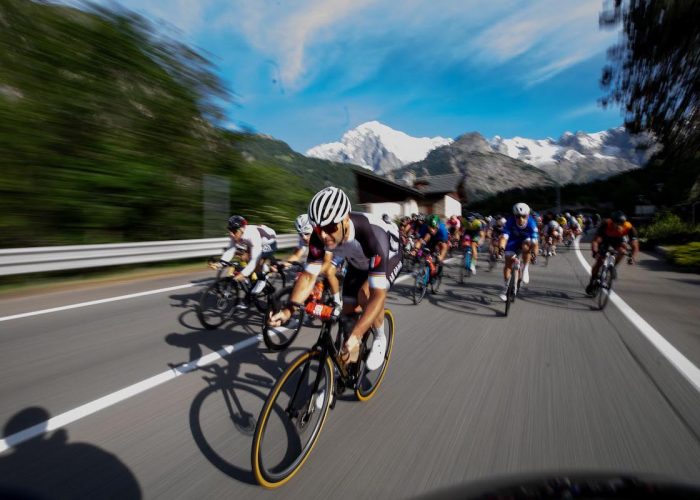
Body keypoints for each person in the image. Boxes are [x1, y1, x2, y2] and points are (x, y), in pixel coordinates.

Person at [268, 187, 402, 371]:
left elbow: (378, 295)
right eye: (318, 228)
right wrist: (289, 309)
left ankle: (380, 337)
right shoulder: (320, 236)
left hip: (389, 255)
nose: (323, 235)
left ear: (345, 220)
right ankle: (342, 372)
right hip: (357, 262)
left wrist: (358, 334)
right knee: (347, 314)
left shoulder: (370, 234)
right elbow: (308, 277)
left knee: (365, 295)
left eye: (330, 227)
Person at [284, 213, 343, 305]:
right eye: (301, 234)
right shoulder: (304, 237)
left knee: (328, 271)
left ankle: (337, 301)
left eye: (307, 234)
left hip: (338, 250)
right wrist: (284, 264)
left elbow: (327, 262)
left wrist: (313, 274)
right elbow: (297, 255)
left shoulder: (324, 235)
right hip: (321, 251)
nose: (304, 238)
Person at [216, 215, 278, 294]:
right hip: (256, 241)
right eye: (229, 230)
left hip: (269, 241)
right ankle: (262, 269)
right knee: (244, 257)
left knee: (256, 262)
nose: (231, 234)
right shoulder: (237, 234)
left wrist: (243, 274)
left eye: (234, 231)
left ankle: (261, 279)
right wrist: (222, 262)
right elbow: (231, 250)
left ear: (242, 229)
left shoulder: (252, 235)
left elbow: (254, 260)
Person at [585, 211, 639, 295]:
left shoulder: (629, 227)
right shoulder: (605, 224)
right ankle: (592, 281)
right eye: (616, 223)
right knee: (600, 261)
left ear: (624, 223)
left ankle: (614, 266)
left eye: (621, 224)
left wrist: (633, 257)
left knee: (623, 249)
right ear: (612, 222)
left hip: (618, 239)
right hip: (605, 239)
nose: (618, 226)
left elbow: (635, 245)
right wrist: (595, 251)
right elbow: (596, 241)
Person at [498, 203, 539, 301]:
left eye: (524, 216)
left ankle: (525, 268)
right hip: (513, 240)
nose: (520, 219)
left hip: (526, 240)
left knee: (526, 246)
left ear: (528, 216)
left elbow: (535, 243)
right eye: (518, 216)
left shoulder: (531, 223)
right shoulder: (510, 221)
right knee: (508, 263)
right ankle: (506, 287)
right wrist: (501, 248)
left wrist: (534, 254)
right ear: (514, 215)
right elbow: (504, 237)